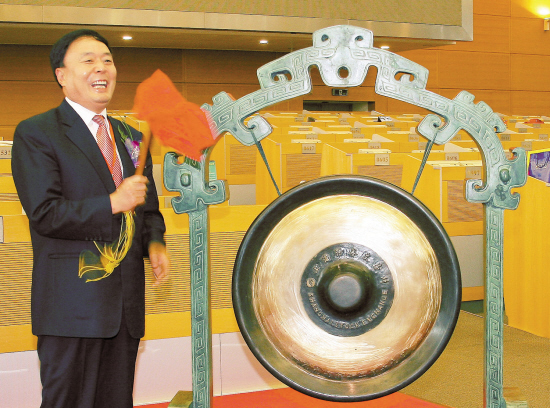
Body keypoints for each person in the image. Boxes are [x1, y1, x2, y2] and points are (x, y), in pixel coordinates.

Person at [11, 29, 170, 408]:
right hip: (71, 307)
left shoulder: (132, 137)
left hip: (124, 307)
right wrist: (113, 202)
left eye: (107, 60)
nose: (101, 68)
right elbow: (45, 213)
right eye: (88, 60)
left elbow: (148, 209)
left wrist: (154, 242)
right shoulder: (37, 133)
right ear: (62, 75)